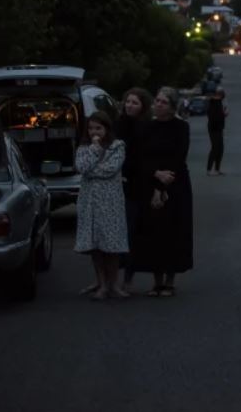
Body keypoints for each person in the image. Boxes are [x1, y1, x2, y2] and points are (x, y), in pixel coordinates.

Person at [133, 87, 194, 298]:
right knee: (153, 231)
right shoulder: (146, 128)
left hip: (175, 184)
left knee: (173, 230)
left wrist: (164, 184)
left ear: (172, 107)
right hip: (151, 181)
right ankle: (156, 281)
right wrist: (155, 175)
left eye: (163, 102)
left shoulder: (181, 127)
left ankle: (170, 281)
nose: (158, 105)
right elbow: (141, 157)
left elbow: (179, 156)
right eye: (157, 101)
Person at [74, 111, 129, 300]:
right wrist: (95, 150)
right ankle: (102, 283)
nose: (94, 132)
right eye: (91, 128)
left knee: (111, 245)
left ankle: (114, 283)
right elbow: (82, 167)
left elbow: (110, 169)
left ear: (107, 128)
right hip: (90, 202)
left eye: (98, 128)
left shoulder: (117, 146)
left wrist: (92, 169)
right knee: (96, 245)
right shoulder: (84, 148)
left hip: (111, 202)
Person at [115, 87, 153, 292]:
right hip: (114, 184)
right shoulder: (118, 124)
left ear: (143, 107)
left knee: (130, 232)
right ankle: (106, 279)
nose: (129, 105)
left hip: (136, 186)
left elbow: (145, 158)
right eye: (128, 101)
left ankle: (128, 278)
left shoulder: (145, 127)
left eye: (135, 103)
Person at [206, 88, 228, 176]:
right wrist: (223, 115)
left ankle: (217, 169)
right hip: (214, 128)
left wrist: (223, 114)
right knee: (215, 148)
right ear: (219, 95)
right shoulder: (213, 103)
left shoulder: (218, 103)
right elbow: (213, 116)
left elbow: (218, 115)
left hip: (218, 128)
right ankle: (209, 169)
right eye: (222, 95)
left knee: (220, 149)